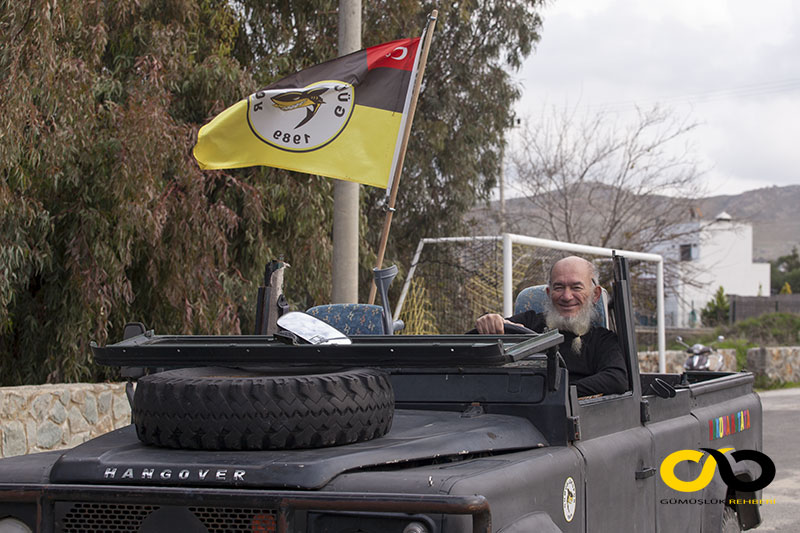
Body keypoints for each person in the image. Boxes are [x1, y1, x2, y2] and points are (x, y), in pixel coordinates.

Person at [476, 256, 628, 397]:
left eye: (576, 288)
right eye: (559, 287)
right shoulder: (526, 322)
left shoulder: (602, 340)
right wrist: (489, 323)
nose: (567, 297)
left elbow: (617, 380)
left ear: (595, 295)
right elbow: (470, 352)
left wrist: (555, 394)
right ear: (549, 293)